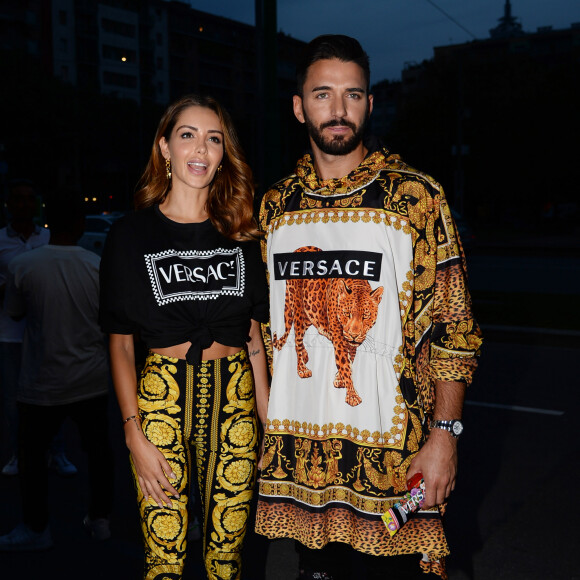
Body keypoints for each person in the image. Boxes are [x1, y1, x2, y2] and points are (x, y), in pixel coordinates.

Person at [255, 35, 483, 580]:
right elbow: (263, 327)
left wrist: (444, 439)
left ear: (371, 103)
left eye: (353, 95)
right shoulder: (275, 207)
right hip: (303, 471)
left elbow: (455, 331)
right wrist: (268, 414)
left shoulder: (415, 197)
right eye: (322, 95)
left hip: (394, 464)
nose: (338, 111)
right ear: (297, 106)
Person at [99, 94, 270, 580]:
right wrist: (133, 431)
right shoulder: (130, 235)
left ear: (223, 154)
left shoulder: (241, 232)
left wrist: (267, 421)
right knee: (165, 559)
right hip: (160, 400)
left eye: (214, 139)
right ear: (165, 147)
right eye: (187, 135)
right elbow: (120, 342)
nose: (201, 148)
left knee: (226, 559)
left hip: (235, 397)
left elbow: (254, 338)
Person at [0, 193, 114, 551]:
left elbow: (15, 314)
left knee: (32, 458)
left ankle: (37, 529)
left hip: (42, 379)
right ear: (81, 226)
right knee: (99, 454)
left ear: (48, 222)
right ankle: (101, 520)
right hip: (91, 378)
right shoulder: (98, 266)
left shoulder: (25, 266)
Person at [0, 179, 76, 477]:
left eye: (28, 199)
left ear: (36, 205)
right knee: (12, 399)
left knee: (52, 395)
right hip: (8, 334)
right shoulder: (0, 240)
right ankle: (20, 453)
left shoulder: (48, 239)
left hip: (47, 332)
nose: (22, 204)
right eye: (17, 198)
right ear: (8, 204)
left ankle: (55, 450)